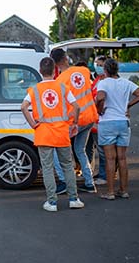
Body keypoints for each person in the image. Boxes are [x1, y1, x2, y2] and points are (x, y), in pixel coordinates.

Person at [21, 57, 84, 212]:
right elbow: (76, 106)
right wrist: (74, 123)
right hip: (62, 133)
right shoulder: (62, 87)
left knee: (48, 168)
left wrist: (32, 124)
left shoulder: (34, 90)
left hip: (44, 134)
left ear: (41, 71)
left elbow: (23, 107)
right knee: (67, 166)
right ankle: (74, 199)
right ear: (54, 70)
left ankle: (52, 202)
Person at [96, 58, 139, 200]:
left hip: (107, 123)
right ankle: (123, 190)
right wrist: (128, 106)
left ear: (105, 70)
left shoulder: (103, 83)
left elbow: (100, 97)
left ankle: (110, 192)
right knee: (122, 158)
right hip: (123, 122)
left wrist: (98, 108)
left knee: (110, 159)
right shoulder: (126, 83)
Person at [50, 48, 99, 194]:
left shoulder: (59, 81)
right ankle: (89, 183)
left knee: (55, 150)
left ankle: (64, 181)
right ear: (66, 58)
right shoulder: (83, 71)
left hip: (75, 121)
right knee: (80, 150)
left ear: (54, 63)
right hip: (90, 117)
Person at [88, 55, 108, 185]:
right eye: (96, 64)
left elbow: (101, 99)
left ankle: (105, 175)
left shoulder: (106, 81)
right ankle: (102, 173)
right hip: (95, 119)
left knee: (102, 150)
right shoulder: (97, 80)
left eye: (100, 65)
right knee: (98, 148)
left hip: (101, 119)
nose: (97, 67)